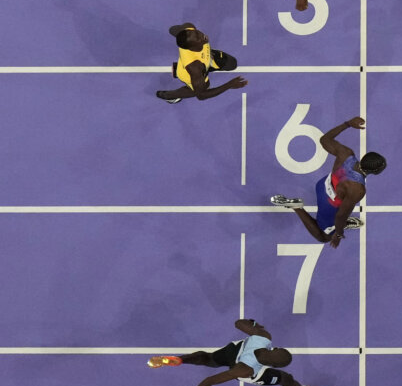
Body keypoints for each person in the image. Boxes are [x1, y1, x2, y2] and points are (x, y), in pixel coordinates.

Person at [147, 317, 333, 386]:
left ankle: (180, 360)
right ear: (272, 364)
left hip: (234, 351)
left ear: (273, 348)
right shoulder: (247, 371)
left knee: (209, 359)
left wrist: (252, 324)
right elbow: (211, 380)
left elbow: (238, 323)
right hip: (245, 368)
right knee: (284, 378)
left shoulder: (263, 337)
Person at [272, 116, 386, 247]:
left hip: (321, 185)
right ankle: (297, 208)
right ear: (375, 172)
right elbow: (341, 215)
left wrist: (347, 123)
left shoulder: (346, 153)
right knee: (324, 236)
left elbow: (324, 140)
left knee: (340, 216)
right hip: (329, 205)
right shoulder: (358, 189)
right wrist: (338, 234)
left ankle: (341, 224)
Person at [155, 22, 246, 104]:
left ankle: (179, 66)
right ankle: (169, 95)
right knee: (202, 87)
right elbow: (201, 96)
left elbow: (173, 29)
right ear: (191, 47)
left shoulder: (189, 28)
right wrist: (229, 85)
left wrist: (179, 34)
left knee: (232, 64)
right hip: (189, 74)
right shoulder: (194, 68)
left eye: (197, 32)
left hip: (205, 59)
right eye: (198, 38)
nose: (202, 35)